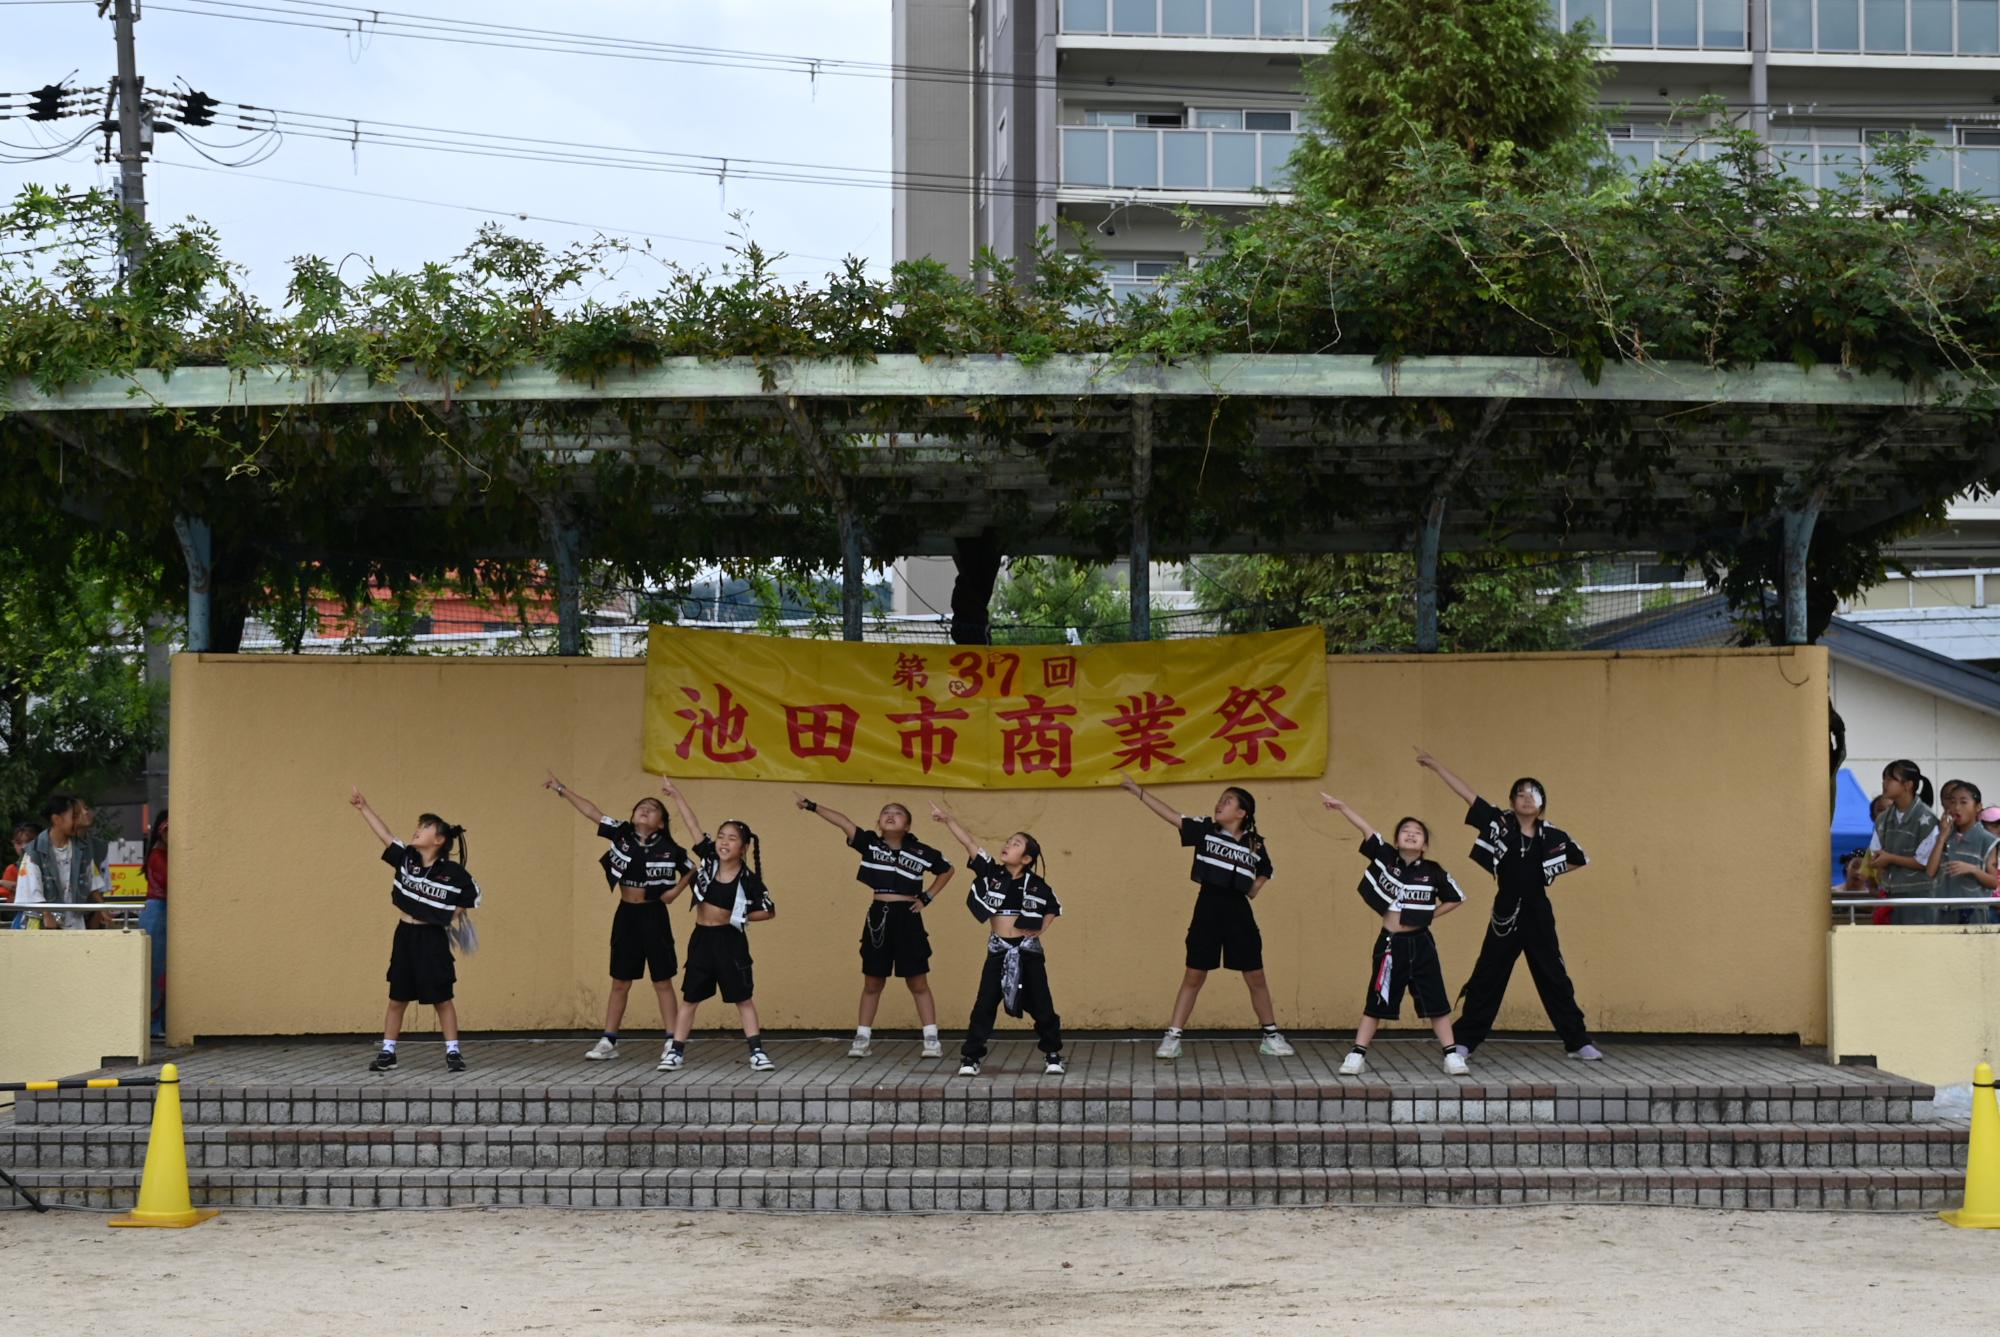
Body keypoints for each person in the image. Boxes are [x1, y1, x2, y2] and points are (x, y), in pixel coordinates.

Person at [1415, 749, 1599, 1061]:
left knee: (1553, 975)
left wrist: (1549, 871)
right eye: (1520, 794)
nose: (1527, 798)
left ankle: (1578, 1040)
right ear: (1512, 801)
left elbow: (1579, 858)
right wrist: (1436, 766)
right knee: (1488, 974)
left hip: (1538, 911)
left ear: (1542, 803)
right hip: (1506, 911)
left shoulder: (1552, 834)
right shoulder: (1500, 823)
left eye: (1534, 794)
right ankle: (1465, 1041)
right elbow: (1469, 797)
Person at [1118, 775, 1295, 1061]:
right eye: (1220, 800)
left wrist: (1253, 889)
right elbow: (1172, 816)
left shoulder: (1256, 845)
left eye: (1227, 801)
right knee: (1194, 973)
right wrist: (1138, 791)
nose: (1219, 804)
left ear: (1242, 813)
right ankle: (1173, 1037)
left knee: (1256, 974)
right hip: (1208, 907)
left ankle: (1271, 1035)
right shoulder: (1205, 829)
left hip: (1239, 912)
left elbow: (1265, 871)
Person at [544, 772, 692, 1066]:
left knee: (662, 980)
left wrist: (675, 892)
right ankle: (609, 1040)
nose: (645, 809)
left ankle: (672, 1041)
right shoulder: (621, 832)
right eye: (641, 806)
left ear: (661, 822)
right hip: (626, 914)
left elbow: (692, 868)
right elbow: (591, 811)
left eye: (653, 808)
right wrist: (562, 789)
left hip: (654, 915)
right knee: (620, 980)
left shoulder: (669, 848)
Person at [1319, 794, 1471, 1077]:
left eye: (1418, 833)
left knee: (1436, 1001)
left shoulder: (1433, 871)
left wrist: (1430, 916)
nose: (1411, 835)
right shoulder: (1386, 857)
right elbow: (1366, 829)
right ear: (1398, 839)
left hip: (1421, 943)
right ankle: (1357, 1054)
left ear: (1424, 844)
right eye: (1406, 831)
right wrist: (1342, 807)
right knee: (1377, 999)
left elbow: (1457, 897)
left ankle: (1451, 1056)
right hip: (1390, 944)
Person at [794, 792, 954, 1059]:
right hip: (878, 914)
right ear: (879, 822)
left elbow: (947, 870)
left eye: (898, 813)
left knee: (917, 981)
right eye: (886, 812)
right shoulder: (870, 844)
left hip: (908, 916)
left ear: (908, 825)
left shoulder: (922, 851)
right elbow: (843, 822)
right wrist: (812, 806)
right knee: (872, 981)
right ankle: (862, 1038)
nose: (891, 815)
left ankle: (931, 1039)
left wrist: (927, 897)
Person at [928, 801, 1066, 1078]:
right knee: (985, 1002)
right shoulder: (992, 873)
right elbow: (969, 843)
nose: (1008, 845)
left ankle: (1053, 1054)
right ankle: (971, 1056)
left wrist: (1041, 930)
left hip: (1028, 952)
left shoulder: (1037, 885)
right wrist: (948, 819)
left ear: (1026, 859)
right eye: (1008, 842)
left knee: (1041, 1003)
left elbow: (1054, 908)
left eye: (1015, 844)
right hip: (998, 950)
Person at [349, 787, 482, 1073]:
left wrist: (450, 913)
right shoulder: (406, 858)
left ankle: (453, 1053)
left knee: (442, 998)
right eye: (418, 827)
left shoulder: (453, 872)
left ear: (439, 839)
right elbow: (384, 835)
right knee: (397, 996)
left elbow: (473, 896)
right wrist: (364, 808)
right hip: (404, 935)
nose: (417, 831)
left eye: (424, 828)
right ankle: (388, 1052)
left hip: (432, 938)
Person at [657, 782, 777, 1072]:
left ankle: (757, 1052)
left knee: (743, 998)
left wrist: (742, 914)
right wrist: (677, 795)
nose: (724, 842)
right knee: (690, 998)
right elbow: (693, 824)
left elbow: (769, 911)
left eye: (732, 838)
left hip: (730, 942)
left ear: (744, 847)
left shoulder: (748, 880)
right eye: (721, 836)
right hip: (702, 939)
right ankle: (676, 1051)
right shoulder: (708, 860)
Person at [14, 794, 108, 931]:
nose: (78, 820)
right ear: (57, 819)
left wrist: (102, 907)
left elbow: (91, 879)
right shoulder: (34, 852)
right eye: (74, 816)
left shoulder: (81, 849)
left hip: (74, 920)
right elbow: (32, 888)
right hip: (42, 922)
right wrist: (47, 915)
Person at [1870, 760, 1944, 926]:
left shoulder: (1928, 819)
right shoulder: (1883, 819)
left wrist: (1889, 858)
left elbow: (1925, 862)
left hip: (1919, 895)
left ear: (1908, 785)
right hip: (1890, 893)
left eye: (1890, 779)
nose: (1884, 783)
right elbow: (1875, 854)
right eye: (1884, 779)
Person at [1936, 779, 2000, 926]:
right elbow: (1930, 871)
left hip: (1974, 911)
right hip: (1944, 909)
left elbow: (1993, 882)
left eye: (1963, 802)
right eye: (1952, 802)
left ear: (1978, 807)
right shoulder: (1945, 836)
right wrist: (1942, 838)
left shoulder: (1987, 840)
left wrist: (1972, 870)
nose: (1957, 807)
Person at [140, 811, 169, 1038]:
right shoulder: (159, 856)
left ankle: (159, 1022)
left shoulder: (161, 854)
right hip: (157, 911)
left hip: (162, 911)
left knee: (163, 971)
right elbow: (169, 882)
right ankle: (152, 1024)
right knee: (156, 970)